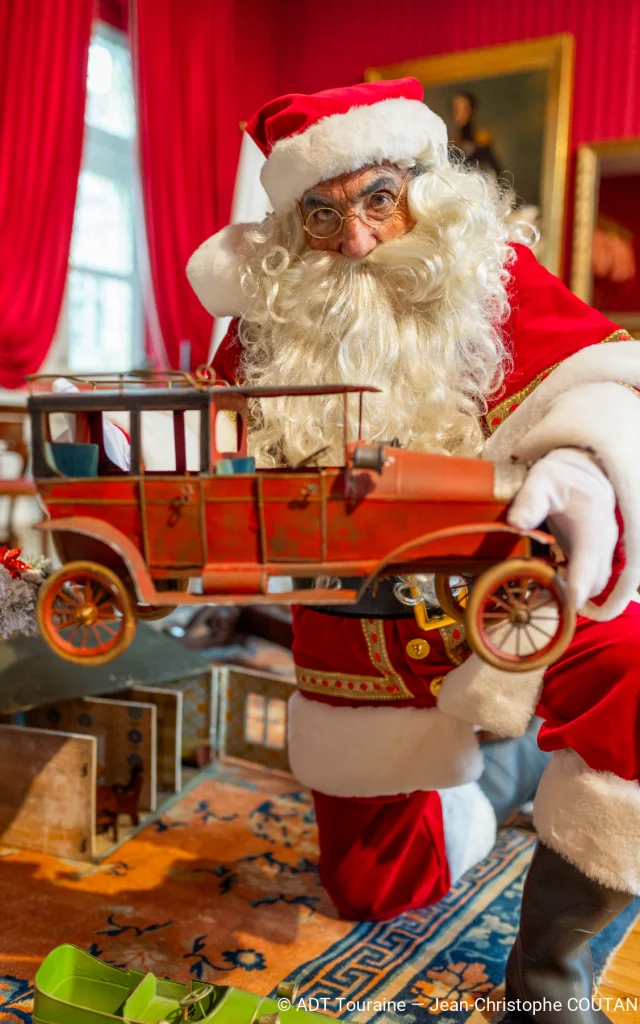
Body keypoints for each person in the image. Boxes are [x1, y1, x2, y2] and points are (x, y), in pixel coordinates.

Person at [187, 78, 640, 1024]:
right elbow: (218, 469)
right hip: (361, 628)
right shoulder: (263, 333)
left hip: (511, 592)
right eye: (322, 214)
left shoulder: (495, 276)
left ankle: (548, 984)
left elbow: (602, 385)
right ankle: (504, 773)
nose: (355, 240)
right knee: (371, 890)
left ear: (420, 192)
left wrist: (582, 472)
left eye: (377, 201)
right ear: (291, 226)